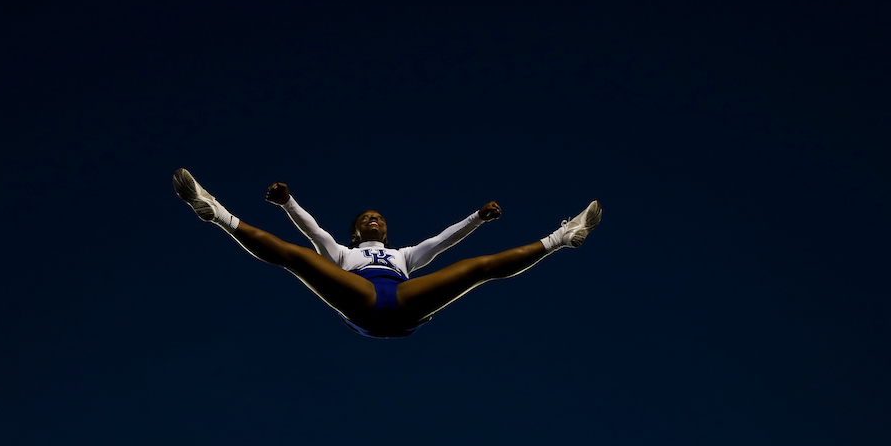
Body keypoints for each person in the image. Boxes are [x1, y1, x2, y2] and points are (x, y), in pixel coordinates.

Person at [172, 168, 601, 338]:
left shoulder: (405, 256)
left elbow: (443, 241)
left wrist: (476, 218)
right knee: (300, 257)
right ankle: (216, 213)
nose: (374, 220)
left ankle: (562, 238)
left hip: (403, 305)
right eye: (366, 218)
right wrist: (287, 203)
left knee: (476, 268)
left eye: (379, 217)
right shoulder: (340, 252)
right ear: (355, 230)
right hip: (361, 302)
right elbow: (312, 229)